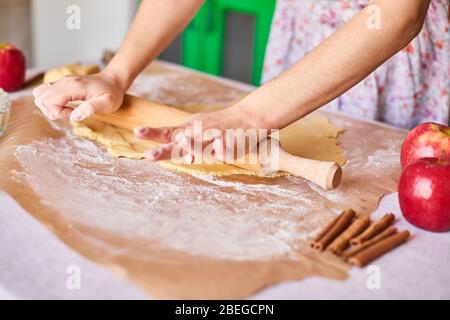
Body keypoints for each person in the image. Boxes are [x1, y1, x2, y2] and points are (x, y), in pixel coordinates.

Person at [33, 0, 449, 163]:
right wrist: (117, 74)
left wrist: (251, 115)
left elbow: (398, 14)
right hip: (300, 47)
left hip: (401, 63)